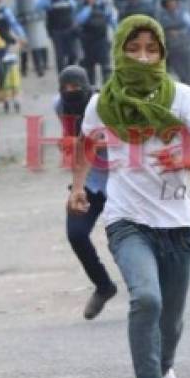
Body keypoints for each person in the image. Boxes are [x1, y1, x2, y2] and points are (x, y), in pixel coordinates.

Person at [68, 15, 190, 378]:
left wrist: (184, 159)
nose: (143, 57)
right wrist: (78, 186)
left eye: (151, 50)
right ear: (119, 50)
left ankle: (165, 367)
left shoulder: (183, 97)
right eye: (134, 49)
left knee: (170, 322)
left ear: (163, 54)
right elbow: (85, 143)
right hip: (126, 220)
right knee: (146, 299)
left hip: (176, 223)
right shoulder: (101, 104)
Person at [55, 66, 118, 319]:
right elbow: (72, 139)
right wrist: (70, 144)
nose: (71, 92)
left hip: (118, 180)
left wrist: (86, 143)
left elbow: (122, 140)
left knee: (123, 240)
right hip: (88, 181)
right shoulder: (60, 106)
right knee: (76, 234)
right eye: (66, 88)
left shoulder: (103, 104)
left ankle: (146, 290)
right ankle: (104, 286)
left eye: (76, 88)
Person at [155, 0, 190, 86]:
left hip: (185, 47)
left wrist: (181, 33)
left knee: (189, 76)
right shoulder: (161, 16)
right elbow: (157, 31)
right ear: (164, 3)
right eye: (169, 1)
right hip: (172, 49)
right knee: (181, 74)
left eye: (174, 1)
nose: (171, 3)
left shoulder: (183, 14)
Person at [75, 0, 116, 86]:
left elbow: (112, 20)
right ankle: (91, 92)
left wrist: (117, 32)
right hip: (88, 43)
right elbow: (79, 20)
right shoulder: (82, 7)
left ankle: (107, 89)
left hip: (102, 42)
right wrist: (89, 7)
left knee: (106, 69)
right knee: (89, 70)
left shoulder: (103, 7)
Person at [37, 0, 78, 73]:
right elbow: (38, 6)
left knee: (73, 55)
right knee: (60, 57)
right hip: (56, 31)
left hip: (69, 30)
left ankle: (69, 71)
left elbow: (74, 8)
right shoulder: (47, 0)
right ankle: (62, 76)